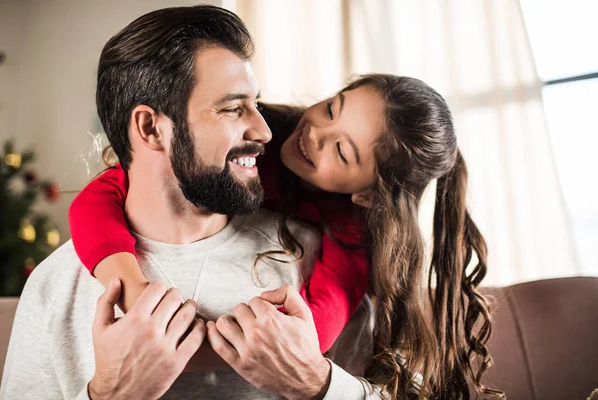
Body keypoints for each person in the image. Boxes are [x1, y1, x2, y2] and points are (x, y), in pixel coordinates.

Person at [67, 24, 501, 400]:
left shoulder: (352, 235)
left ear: (367, 196)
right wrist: (131, 288)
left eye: (342, 151)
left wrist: (164, 354)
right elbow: (102, 193)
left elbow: (304, 337)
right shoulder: (263, 132)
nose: (313, 134)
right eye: (332, 109)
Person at [1, 5, 369, 399]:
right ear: (150, 128)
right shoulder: (57, 285)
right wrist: (110, 395)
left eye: (256, 104)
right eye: (233, 108)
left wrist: (316, 383)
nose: (264, 131)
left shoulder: (310, 260)